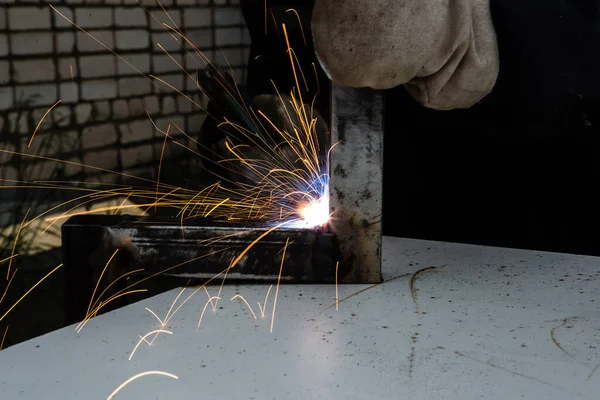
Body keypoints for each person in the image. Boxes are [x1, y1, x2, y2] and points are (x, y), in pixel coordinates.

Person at [205, 0, 600, 254]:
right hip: (375, 245)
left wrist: (486, 27)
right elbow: (276, 60)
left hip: (533, 242)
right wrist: (248, 140)